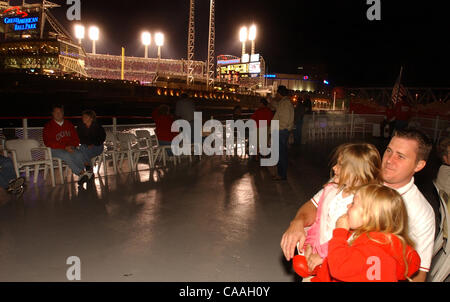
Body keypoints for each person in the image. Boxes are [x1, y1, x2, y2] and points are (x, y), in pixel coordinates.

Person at [281, 128, 435, 281]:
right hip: (323, 265)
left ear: (419, 165)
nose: (389, 160)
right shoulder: (354, 177)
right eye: (389, 151)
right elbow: (316, 205)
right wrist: (298, 222)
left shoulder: (421, 212)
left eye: (400, 156)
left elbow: (418, 273)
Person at [293, 143, 383, 280]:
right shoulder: (331, 191)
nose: (334, 168)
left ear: (358, 173)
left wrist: (324, 256)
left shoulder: (361, 207)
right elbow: (318, 222)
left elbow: (351, 240)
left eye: (341, 165)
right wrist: (310, 245)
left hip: (338, 265)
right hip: (316, 258)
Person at [310, 184, 420, 282]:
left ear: (369, 216)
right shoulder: (386, 244)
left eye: (353, 203)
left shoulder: (372, 249)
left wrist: (339, 232)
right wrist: (324, 259)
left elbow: (339, 268)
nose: (348, 206)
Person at [43, 104, 89, 185]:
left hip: (69, 147)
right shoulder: (48, 126)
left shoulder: (69, 124)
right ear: (52, 114)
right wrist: (64, 147)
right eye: (56, 112)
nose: (58, 114)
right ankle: (81, 173)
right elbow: (48, 142)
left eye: (60, 112)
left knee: (79, 154)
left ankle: (82, 176)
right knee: (66, 155)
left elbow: (76, 139)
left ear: (63, 113)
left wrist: (72, 146)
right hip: (55, 149)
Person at [272, 85, 294, 180]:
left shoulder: (285, 104)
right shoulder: (284, 103)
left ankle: (281, 175)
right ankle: (281, 174)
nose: (275, 95)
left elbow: (285, 120)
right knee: (281, 153)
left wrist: (278, 129)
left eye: (276, 93)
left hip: (280, 131)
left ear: (279, 93)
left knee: (281, 154)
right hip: (281, 131)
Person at [77, 110, 106, 176]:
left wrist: (92, 143)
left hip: (97, 147)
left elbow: (101, 139)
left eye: (85, 117)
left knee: (82, 153)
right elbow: (79, 139)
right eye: (83, 117)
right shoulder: (81, 127)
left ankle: (86, 171)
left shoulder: (98, 127)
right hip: (86, 147)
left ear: (91, 118)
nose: (83, 118)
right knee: (82, 149)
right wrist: (88, 144)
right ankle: (88, 170)